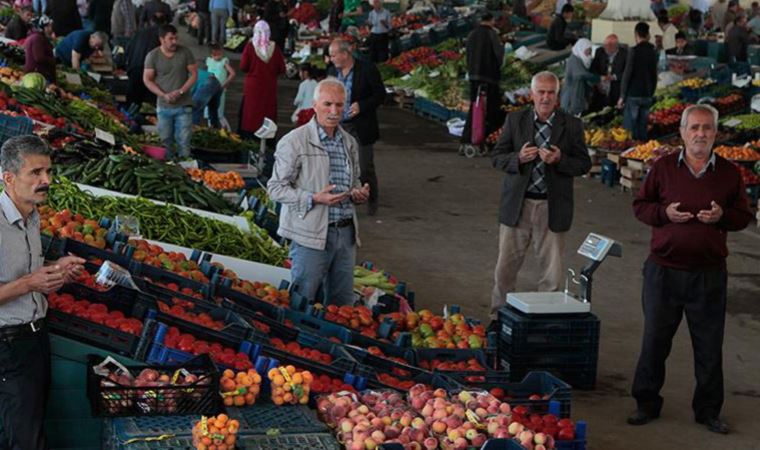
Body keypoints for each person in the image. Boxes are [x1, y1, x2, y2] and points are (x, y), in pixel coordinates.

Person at [628, 104, 752, 434]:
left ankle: (708, 411)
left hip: (708, 274)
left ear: (716, 134)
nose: (700, 133)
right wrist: (664, 213)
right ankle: (646, 403)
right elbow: (641, 206)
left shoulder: (728, 173)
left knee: (709, 345)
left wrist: (721, 217)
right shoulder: (663, 168)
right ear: (682, 132)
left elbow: (744, 216)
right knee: (655, 341)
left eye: (707, 128)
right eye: (694, 127)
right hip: (663, 272)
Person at [0, 135, 85, 450]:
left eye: (48, 171)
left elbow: (25, 270)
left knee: (22, 427)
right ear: (8, 178)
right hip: (7, 343)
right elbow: (25, 281)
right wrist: (31, 284)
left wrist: (56, 268)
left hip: (35, 336)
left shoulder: (32, 216)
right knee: (25, 438)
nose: (46, 180)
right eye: (35, 173)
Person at [489, 71, 591, 315]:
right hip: (519, 205)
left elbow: (583, 163)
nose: (545, 97)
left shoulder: (572, 125)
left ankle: (546, 321)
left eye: (551, 93)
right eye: (541, 92)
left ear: (558, 96)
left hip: (552, 207)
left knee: (551, 274)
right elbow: (497, 156)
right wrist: (518, 158)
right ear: (532, 94)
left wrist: (560, 159)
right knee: (505, 269)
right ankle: (498, 316)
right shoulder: (515, 121)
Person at [267, 78, 370, 306]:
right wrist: (313, 198)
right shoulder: (295, 142)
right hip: (310, 236)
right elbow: (275, 188)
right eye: (327, 104)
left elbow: (353, 181)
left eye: (339, 105)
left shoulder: (349, 143)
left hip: (345, 234)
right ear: (314, 105)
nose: (334, 111)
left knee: (341, 304)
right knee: (303, 298)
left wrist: (358, 193)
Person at [328, 38, 385, 216]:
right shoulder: (331, 72)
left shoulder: (367, 69)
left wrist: (361, 105)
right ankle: (340, 200)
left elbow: (380, 95)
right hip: (338, 125)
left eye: (333, 55)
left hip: (361, 125)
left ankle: (372, 200)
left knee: (364, 165)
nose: (331, 59)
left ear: (345, 54)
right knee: (335, 164)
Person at [143, 24, 198, 159]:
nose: (175, 42)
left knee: (184, 142)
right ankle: (169, 170)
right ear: (162, 39)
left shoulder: (185, 52)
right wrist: (163, 95)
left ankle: (186, 169)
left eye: (176, 38)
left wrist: (181, 91)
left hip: (184, 106)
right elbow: (147, 79)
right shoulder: (153, 56)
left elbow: (194, 74)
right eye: (171, 39)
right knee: (165, 141)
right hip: (163, 107)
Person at [461, 13, 505, 151]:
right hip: (489, 76)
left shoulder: (472, 34)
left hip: (474, 75)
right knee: (492, 108)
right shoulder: (492, 34)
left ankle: (467, 138)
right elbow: (499, 55)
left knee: (475, 106)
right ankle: (490, 139)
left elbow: (467, 54)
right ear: (492, 20)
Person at [239, 21, 285, 137]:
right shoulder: (275, 48)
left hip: (253, 87)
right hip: (269, 86)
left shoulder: (250, 47)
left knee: (251, 112)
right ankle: (267, 137)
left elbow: (243, 66)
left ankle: (249, 136)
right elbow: (282, 68)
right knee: (267, 112)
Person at [619, 22, 658, 142]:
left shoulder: (633, 51)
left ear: (636, 34)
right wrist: (651, 92)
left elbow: (627, 74)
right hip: (647, 94)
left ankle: (629, 152)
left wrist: (622, 96)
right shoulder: (653, 52)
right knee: (642, 127)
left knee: (630, 129)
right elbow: (654, 75)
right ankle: (641, 151)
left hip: (634, 94)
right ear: (648, 35)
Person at [126, 13, 162, 110]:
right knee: (150, 101)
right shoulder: (162, 36)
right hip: (150, 70)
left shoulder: (140, 32)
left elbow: (128, 48)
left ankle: (129, 119)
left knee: (133, 99)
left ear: (151, 21)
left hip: (135, 68)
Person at [560, 38, 600, 116]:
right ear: (581, 48)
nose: (589, 53)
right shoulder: (574, 60)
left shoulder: (582, 59)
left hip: (579, 93)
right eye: (587, 50)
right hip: (571, 95)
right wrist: (599, 78)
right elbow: (581, 74)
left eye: (590, 50)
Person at [590, 34, 627, 110]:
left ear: (616, 46)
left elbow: (627, 73)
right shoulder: (599, 51)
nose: (607, 49)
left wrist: (614, 77)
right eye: (605, 46)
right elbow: (593, 69)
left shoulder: (625, 54)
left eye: (610, 46)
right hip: (600, 89)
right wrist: (598, 81)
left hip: (616, 90)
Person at [205, 44, 235, 129]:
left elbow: (232, 73)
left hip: (219, 90)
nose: (218, 57)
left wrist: (224, 84)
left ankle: (227, 131)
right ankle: (211, 131)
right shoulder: (209, 61)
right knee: (209, 114)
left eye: (220, 54)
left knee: (219, 114)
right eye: (215, 55)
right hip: (210, 90)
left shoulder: (224, 62)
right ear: (211, 55)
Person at [24, 15, 56, 83]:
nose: (51, 28)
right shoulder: (37, 38)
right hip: (37, 73)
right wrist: (53, 60)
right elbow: (39, 58)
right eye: (48, 26)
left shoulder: (36, 36)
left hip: (38, 72)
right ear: (42, 28)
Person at [192, 63, 223, 128]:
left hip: (206, 83)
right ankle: (217, 132)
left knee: (194, 110)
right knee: (213, 112)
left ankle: (193, 134)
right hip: (216, 82)